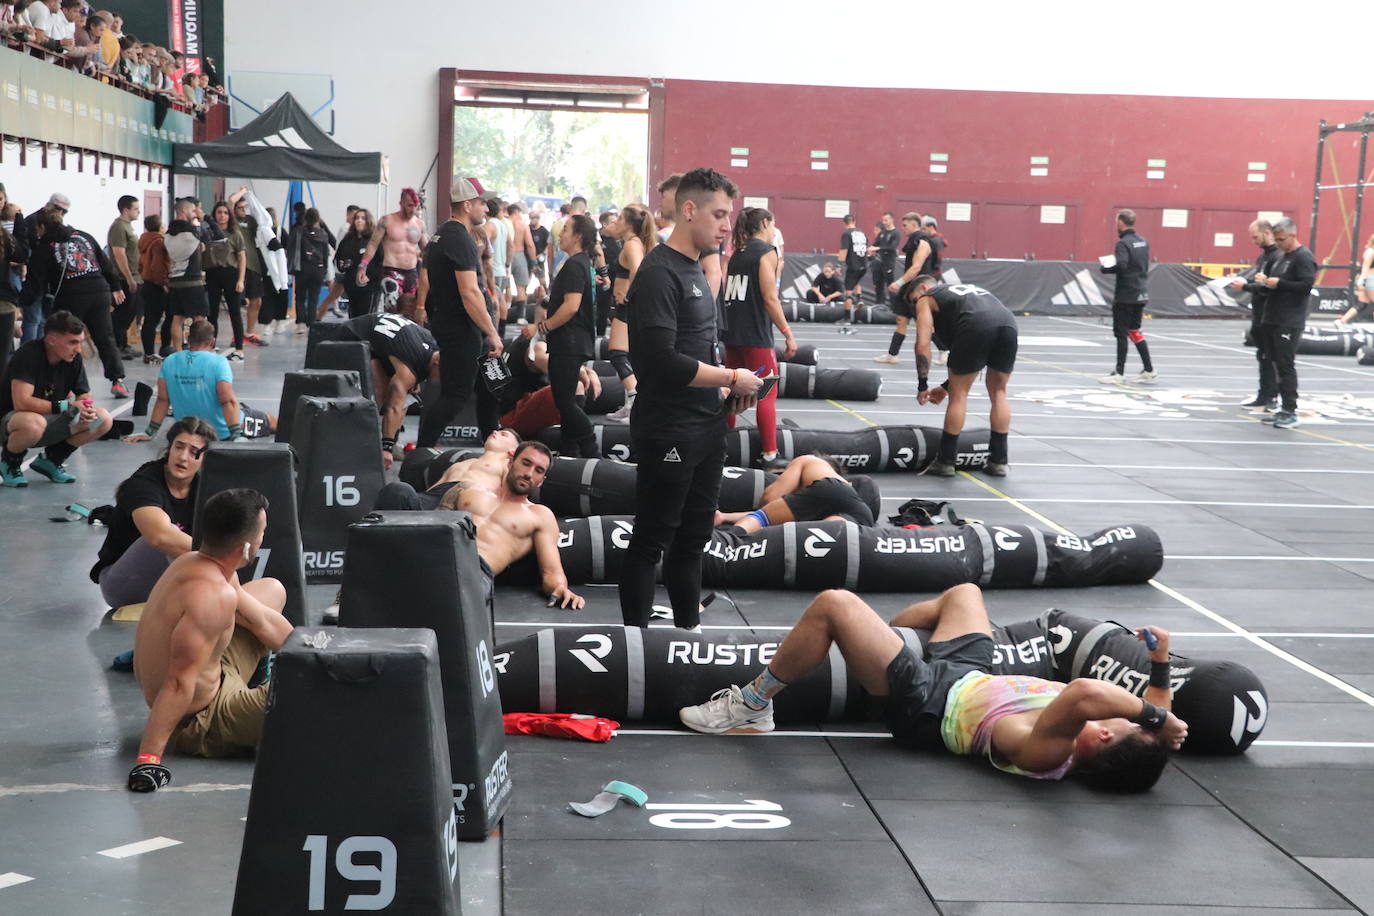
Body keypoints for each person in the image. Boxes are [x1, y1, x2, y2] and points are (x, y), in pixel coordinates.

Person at [678, 584, 1186, 792]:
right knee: (965, 593)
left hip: (927, 704)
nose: (1137, 715)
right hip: (969, 675)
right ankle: (885, 642)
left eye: (1132, 722)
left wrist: (1158, 719)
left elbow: (1083, 693)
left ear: (1101, 738)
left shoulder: (1050, 751)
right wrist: (1160, 667)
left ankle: (752, 704)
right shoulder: (1108, 734)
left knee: (835, 603)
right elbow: (1151, 721)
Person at [620, 167, 762, 631]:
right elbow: (660, 362)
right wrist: (732, 375)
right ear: (689, 209)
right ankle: (637, 650)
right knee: (652, 539)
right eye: (719, 215)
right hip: (668, 428)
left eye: (730, 216)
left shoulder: (695, 269)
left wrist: (725, 389)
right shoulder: (660, 274)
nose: (727, 225)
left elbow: (698, 349)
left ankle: (689, 639)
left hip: (705, 424)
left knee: (694, 540)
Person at [127, 488, 292, 790]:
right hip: (203, 719)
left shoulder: (197, 561)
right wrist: (148, 759)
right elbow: (178, 684)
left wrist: (315, 654)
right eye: (262, 534)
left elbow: (261, 619)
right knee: (304, 693)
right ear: (245, 548)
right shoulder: (212, 597)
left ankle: (260, 679)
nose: (262, 539)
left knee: (272, 590)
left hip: (218, 673)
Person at [375, 435, 584, 610]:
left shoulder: (540, 515)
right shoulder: (469, 490)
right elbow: (433, 522)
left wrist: (560, 588)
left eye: (538, 471)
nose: (529, 474)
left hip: (474, 570)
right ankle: (358, 588)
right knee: (398, 490)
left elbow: (552, 572)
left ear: (542, 481)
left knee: (448, 587)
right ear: (510, 462)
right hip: (439, 553)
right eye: (526, 463)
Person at [416, 177, 503, 449]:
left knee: (493, 388)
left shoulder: (443, 235)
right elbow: (470, 293)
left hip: (464, 328)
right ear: (467, 205)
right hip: (464, 331)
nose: (486, 209)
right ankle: (422, 451)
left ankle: (496, 446)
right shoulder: (458, 239)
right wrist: (491, 332)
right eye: (481, 203)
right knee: (455, 395)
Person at [92, 417, 214, 609]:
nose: (183, 457)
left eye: (193, 452)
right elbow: (159, 537)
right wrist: (220, 555)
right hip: (122, 584)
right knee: (170, 534)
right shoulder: (144, 483)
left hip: (170, 580)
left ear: (205, 458)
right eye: (179, 447)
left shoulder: (204, 487)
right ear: (169, 448)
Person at [904, 277, 1017, 477]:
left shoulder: (927, 297)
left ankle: (946, 461)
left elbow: (922, 344)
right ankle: (999, 461)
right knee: (999, 392)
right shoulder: (965, 290)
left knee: (959, 396)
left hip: (975, 324)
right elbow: (976, 358)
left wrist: (923, 384)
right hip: (1008, 323)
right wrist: (946, 386)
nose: (915, 306)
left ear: (923, 288)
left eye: (914, 300)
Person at [1, 310, 114, 487]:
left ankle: (51, 460)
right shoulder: (28, 355)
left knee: (102, 419)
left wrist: (86, 408)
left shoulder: (72, 358)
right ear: (52, 340)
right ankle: (9, 462)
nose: (78, 348)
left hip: (47, 419)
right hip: (13, 422)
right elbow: (22, 402)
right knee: (33, 423)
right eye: (72, 342)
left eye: (80, 342)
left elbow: (83, 392)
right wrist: (66, 406)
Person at [721, 206, 795, 470]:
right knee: (767, 394)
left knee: (731, 390)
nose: (775, 230)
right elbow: (770, 298)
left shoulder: (737, 254)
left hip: (732, 333)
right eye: (773, 224)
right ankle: (770, 455)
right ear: (765, 223)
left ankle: (723, 447)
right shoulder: (766, 253)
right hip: (755, 335)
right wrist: (788, 333)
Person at [523, 213, 601, 458]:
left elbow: (571, 307)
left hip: (569, 341)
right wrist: (545, 299)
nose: (560, 233)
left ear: (578, 237)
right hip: (573, 340)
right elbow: (566, 302)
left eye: (565, 229)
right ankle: (570, 450)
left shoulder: (576, 264)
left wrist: (541, 328)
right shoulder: (581, 264)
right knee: (565, 399)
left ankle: (591, 452)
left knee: (565, 401)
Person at [123, 319, 275, 444]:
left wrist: (150, 432)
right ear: (212, 341)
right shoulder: (218, 362)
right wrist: (235, 435)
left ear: (188, 339)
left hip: (188, 430)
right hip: (222, 432)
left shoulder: (170, 361)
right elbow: (227, 400)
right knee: (270, 420)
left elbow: (163, 400)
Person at [1254, 217, 1316, 430]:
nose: (1278, 244)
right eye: (1276, 240)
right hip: (1272, 317)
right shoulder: (1281, 256)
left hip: (1289, 321)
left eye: (1281, 239)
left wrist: (1279, 283)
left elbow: (1306, 286)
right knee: (1274, 363)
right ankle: (1281, 407)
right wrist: (1265, 282)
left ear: (1292, 235)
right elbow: (1273, 284)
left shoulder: (1303, 257)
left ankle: (1290, 409)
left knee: (1285, 365)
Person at [714, 453, 874, 531]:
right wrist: (724, 517)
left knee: (762, 518)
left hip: (831, 492)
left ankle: (728, 542)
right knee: (831, 534)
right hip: (863, 519)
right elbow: (780, 512)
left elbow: (769, 501)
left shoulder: (808, 460)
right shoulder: (831, 492)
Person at [602, 203, 657, 424]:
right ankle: (631, 404)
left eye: (619, 219)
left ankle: (635, 401)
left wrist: (630, 296)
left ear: (627, 223)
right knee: (629, 356)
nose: (615, 223)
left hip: (627, 307)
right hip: (626, 306)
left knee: (616, 353)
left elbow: (638, 270)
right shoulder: (631, 243)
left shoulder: (632, 245)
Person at [364, 308, 438, 468]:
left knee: (407, 390)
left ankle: (389, 440)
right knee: (388, 396)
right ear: (436, 363)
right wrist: (387, 449)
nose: (439, 382)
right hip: (355, 337)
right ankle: (384, 445)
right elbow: (395, 407)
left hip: (380, 337)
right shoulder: (409, 369)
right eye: (441, 377)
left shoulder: (430, 343)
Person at [1098, 209, 1156, 383]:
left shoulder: (1123, 243)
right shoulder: (1143, 242)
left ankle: (1119, 373)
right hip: (1141, 292)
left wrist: (1106, 268)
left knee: (1121, 333)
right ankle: (1149, 370)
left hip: (1126, 295)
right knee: (1134, 331)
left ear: (1121, 222)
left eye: (1116, 221)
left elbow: (1122, 265)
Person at [1229, 220, 1280, 410]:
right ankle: (1264, 393)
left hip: (1271, 314)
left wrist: (1246, 286)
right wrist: (1246, 281)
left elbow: (1268, 286)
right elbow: (1260, 281)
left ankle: (1271, 395)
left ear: (1267, 233)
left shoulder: (1277, 256)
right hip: (1259, 313)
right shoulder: (1264, 257)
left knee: (1271, 357)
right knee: (1263, 356)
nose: (1253, 241)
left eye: (1255, 237)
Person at [881, 213, 935, 363]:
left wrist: (898, 283)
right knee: (901, 319)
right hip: (909, 286)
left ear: (914, 224)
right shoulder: (913, 240)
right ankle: (892, 355)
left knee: (926, 324)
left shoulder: (923, 241)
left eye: (905, 225)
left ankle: (945, 351)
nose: (902, 228)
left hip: (920, 288)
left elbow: (917, 267)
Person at [359, 188, 428, 299]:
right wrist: (362, 266)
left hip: (412, 272)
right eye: (410, 205)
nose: (413, 209)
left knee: (409, 309)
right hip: (391, 271)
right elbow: (373, 245)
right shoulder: (387, 221)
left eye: (416, 206)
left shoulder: (419, 224)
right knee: (393, 310)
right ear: (401, 203)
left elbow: (427, 250)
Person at [202, 201, 247, 359]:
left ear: (230, 215)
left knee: (234, 312)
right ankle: (211, 346)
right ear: (214, 214)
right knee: (212, 312)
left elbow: (242, 257)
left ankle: (239, 348)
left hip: (230, 273)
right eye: (219, 212)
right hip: (212, 273)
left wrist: (241, 280)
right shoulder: (208, 232)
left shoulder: (235, 233)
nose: (222, 216)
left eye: (225, 213)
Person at [164, 198, 209, 353]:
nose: (195, 214)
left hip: (175, 280)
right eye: (192, 210)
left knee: (177, 318)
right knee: (199, 318)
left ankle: (177, 352)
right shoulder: (191, 232)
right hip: (192, 281)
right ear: (184, 212)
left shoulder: (168, 234)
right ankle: (199, 350)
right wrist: (203, 219)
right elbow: (213, 236)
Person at [228, 188, 268, 346]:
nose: (244, 210)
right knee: (236, 302)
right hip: (238, 266)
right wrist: (243, 191)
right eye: (241, 207)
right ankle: (236, 333)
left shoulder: (251, 221)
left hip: (254, 265)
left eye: (246, 207)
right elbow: (230, 201)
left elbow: (264, 219)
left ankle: (249, 332)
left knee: (256, 301)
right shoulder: (232, 221)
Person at [321, 208, 376, 320]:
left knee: (366, 315)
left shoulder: (373, 239)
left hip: (368, 285)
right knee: (353, 314)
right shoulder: (347, 236)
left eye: (362, 218)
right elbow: (339, 254)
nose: (359, 221)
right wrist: (343, 265)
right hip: (351, 281)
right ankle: (321, 314)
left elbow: (379, 261)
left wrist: (370, 276)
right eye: (357, 218)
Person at [106, 195, 141, 362]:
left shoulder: (127, 226)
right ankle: (116, 346)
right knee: (123, 312)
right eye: (135, 209)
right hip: (122, 278)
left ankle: (124, 344)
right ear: (125, 210)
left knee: (130, 311)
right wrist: (128, 277)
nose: (138, 211)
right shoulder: (119, 227)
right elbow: (119, 253)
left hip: (133, 275)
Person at [289, 207, 332, 334]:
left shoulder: (298, 232)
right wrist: (324, 269)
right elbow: (326, 253)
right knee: (314, 298)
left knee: (300, 297)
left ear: (305, 218)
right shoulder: (323, 234)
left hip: (302, 268)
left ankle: (300, 323)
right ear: (317, 219)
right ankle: (311, 323)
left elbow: (291, 248)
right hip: (318, 269)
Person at [137, 213, 173, 362]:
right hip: (158, 285)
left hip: (147, 283)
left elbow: (140, 265)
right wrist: (164, 283)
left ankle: (148, 352)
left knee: (150, 320)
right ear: (160, 227)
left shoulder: (144, 241)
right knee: (167, 316)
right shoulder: (159, 242)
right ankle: (163, 348)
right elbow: (158, 266)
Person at [0, 206, 28, 384]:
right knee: (2, 356)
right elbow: (22, 254)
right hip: (3, 300)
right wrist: (19, 220)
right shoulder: (3, 236)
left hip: (4, 300)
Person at [1333, 233, 1374, 328]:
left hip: (1367, 280)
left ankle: (1341, 322)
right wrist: (1363, 281)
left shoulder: (1370, 251)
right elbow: (1365, 267)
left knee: (1362, 304)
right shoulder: (1370, 252)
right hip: (1369, 280)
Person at [837, 214, 868, 324]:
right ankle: (859, 299)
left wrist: (839, 265)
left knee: (848, 291)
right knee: (856, 282)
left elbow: (844, 251)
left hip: (853, 265)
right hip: (863, 264)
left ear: (844, 223)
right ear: (854, 221)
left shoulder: (846, 234)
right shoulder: (862, 233)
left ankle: (846, 318)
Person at [507, 203, 537, 321]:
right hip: (519, 255)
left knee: (505, 287)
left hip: (506, 256)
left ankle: (503, 312)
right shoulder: (523, 226)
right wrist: (533, 261)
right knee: (521, 287)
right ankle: (520, 316)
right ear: (516, 212)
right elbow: (530, 245)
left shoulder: (504, 224)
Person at [597, 210, 622, 336]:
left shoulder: (619, 239)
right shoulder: (597, 239)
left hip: (618, 278)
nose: (617, 225)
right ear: (604, 224)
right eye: (613, 223)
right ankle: (600, 338)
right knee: (603, 310)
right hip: (602, 279)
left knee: (620, 309)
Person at [870, 212, 900, 311]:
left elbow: (892, 247)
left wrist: (878, 248)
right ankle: (879, 305)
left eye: (886, 220)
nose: (884, 222)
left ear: (892, 220)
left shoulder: (896, 233)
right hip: (879, 262)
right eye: (883, 220)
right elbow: (875, 244)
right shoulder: (882, 233)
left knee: (890, 286)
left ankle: (894, 308)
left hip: (888, 263)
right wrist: (871, 249)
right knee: (878, 285)